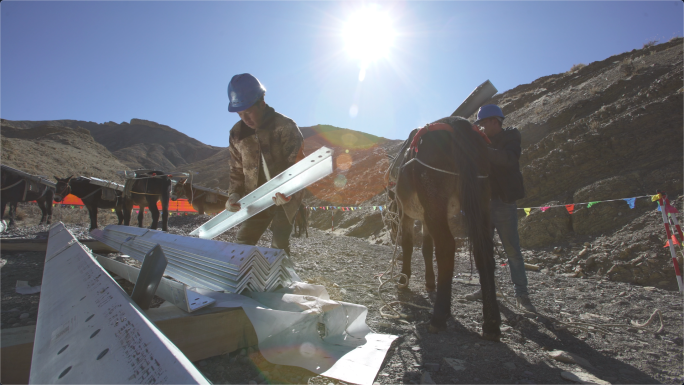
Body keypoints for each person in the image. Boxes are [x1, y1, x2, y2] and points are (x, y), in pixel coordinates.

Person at [465, 104, 536, 312]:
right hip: (483, 204)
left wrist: (482, 150)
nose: (482, 128)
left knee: (512, 251)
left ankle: (522, 295)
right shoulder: (481, 141)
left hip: (503, 202)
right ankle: (486, 288)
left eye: (483, 123)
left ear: (495, 121)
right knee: (484, 249)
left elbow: (508, 159)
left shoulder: (511, 137)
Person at [224, 73, 304, 255]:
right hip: (255, 197)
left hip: (284, 198)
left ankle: (281, 281)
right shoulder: (236, 134)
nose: (245, 119)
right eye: (240, 113)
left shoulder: (285, 126)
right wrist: (234, 195)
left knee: (279, 245)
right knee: (242, 243)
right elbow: (236, 171)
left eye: (249, 112)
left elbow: (297, 166)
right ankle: (244, 281)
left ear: (262, 103)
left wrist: (289, 192)